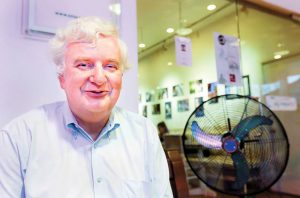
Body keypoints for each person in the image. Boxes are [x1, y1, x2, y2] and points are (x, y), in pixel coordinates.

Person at [0, 17, 172, 197]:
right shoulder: (19, 137)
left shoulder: (144, 133)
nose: (99, 78)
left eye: (110, 66)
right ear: (62, 79)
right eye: (83, 65)